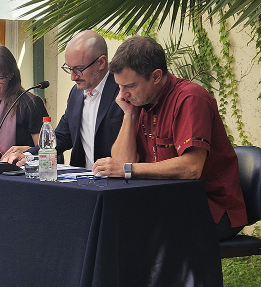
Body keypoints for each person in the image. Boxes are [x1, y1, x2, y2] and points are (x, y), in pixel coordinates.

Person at [92, 36, 247, 240]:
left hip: (209, 207)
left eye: (130, 86)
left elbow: (191, 168)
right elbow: (122, 163)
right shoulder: (140, 101)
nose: (122, 95)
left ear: (156, 76)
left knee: (129, 231)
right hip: (164, 201)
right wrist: (129, 115)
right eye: (119, 86)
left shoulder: (191, 98)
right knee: (104, 220)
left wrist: (128, 169)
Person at [2, 30, 123, 169]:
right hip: (83, 181)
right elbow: (62, 136)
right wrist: (29, 155)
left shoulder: (122, 91)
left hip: (115, 181)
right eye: (69, 68)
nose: (73, 77)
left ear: (101, 62)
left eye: (78, 69)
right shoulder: (76, 94)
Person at [0, 44, 48, 160]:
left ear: (11, 76)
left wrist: (28, 151)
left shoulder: (31, 104)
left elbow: (46, 149)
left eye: (0, 78)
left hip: (21, 173)